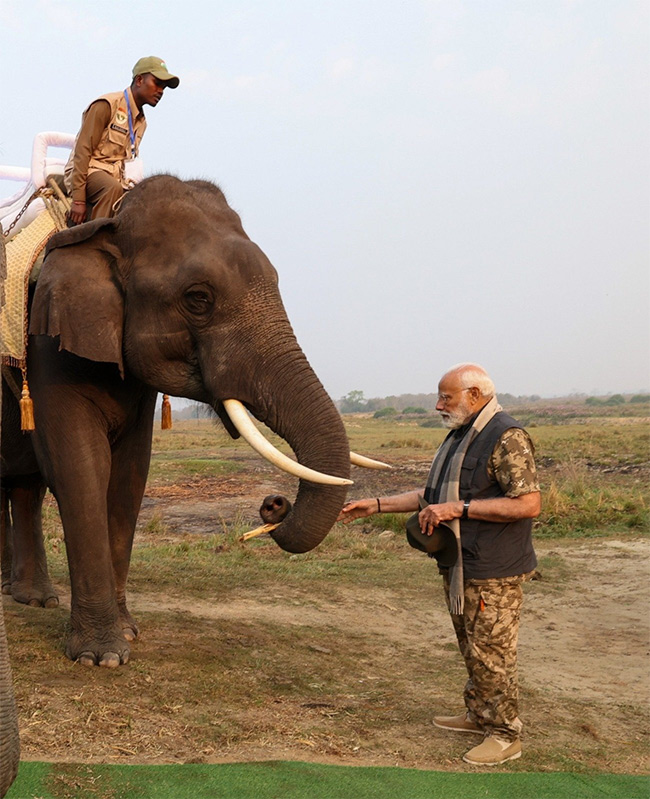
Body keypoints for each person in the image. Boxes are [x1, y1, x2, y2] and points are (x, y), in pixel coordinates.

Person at [338, 363, 541, 766]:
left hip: (493, 569)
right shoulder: (460, 437)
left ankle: (504, 735)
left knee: (491, 653)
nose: (437, 405)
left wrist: (459, 508)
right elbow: (430, 495)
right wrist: (374, 506)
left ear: (476, 395)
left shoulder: (507, 437)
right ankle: (478, 714)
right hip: (459, 562)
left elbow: (528, 503)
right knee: (471, 646)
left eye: (446, 397)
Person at [65, 56, 180, 225]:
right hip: (88, 171)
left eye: (164, 87)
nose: (161, 91)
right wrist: (79, 200)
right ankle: (94, 241)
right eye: (157, 83)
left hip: (118, 178)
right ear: (140, 80)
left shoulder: (141, 122)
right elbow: (83, 152)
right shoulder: (107, 105)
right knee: (112, 189)